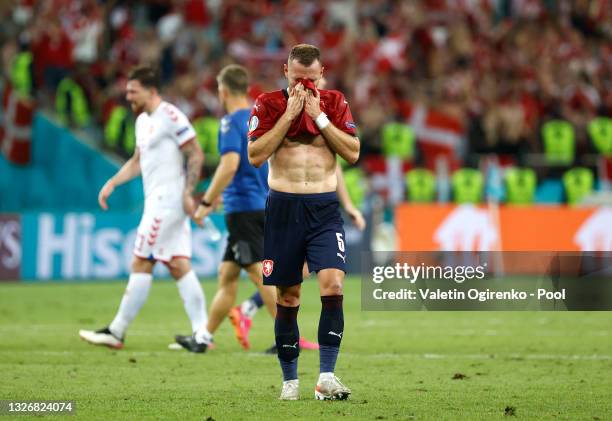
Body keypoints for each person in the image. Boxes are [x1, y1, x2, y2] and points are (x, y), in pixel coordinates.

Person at [248, 44, 359, 401]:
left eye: (311, 80)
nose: (305, 87)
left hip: (324, 209)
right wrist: (290, 114)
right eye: (298, 79)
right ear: (286, 71)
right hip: (283, 207)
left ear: (322, 73)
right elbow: (255, 155)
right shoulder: (267, 103)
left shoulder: (335, 102)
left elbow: (353, 153)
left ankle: (326, 376)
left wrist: (320, 117)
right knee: (289, 295)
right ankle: (290, 381)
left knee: (334, 286)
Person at [79, 66, 209, 349]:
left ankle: (116, 331)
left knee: (141, 260)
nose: (128, 97)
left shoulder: (171, 116)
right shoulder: (142, 122)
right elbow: (138, 161)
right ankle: (202, 334)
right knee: (178, 264)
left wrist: (189, 193)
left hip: (168, 202)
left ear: (151, 91)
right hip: (159, 201)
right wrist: (113, 182)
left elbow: (195, 153)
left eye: (132, 91)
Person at [231, 163, 366, 354]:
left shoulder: (326, 140)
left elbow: (333, 164)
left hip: (311, 206)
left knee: (229, 273)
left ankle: (211, 330)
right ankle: (249, 313)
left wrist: (349, 205)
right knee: (269, 273)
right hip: (281, 208)